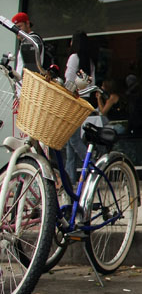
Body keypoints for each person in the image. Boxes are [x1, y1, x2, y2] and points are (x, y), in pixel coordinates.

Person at [63, 31, 96, 181]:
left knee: (73, 139)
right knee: (71, 143)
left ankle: (93, 166)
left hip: (72, 101)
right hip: (84, 101)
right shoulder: (88, 61)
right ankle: (70, 177)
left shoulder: (73, 58)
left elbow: (68, 80)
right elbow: (92, 83)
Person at [12, 12, 44, 77]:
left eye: (19, 26)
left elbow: (32, 67)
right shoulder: (25, 42)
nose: (17, 31)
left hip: (29, 83)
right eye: (15, 28)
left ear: (27, 24)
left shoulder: (33, 39)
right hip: (23, 84)